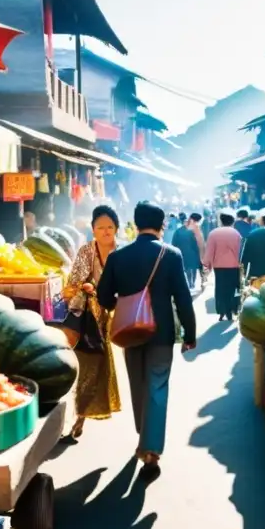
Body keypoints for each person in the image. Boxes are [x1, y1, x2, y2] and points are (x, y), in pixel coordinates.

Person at [97, 201, 196, 476]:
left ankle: (143, 433)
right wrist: (190, 333)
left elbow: (103, 297)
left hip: (130, 332)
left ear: (136, 224)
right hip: (162, 333)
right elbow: (183, 298)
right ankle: (151, 449)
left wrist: (126, 304)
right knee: (157, 386)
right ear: (161, 224)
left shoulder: (118, 257)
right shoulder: (171, 254)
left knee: (138, 384)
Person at [60, 205, 123, 441]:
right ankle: (79, 419)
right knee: (88, 366)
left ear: (116, 228)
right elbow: (72, 284)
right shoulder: (87, 252)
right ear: (93, 230)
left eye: (110, 227)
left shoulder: (123, 252)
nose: (106, 231)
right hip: (90, 319)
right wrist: (87, 289)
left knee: (104, 368)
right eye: (100, 227)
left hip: (119, 319)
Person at [203, 209, 243, 321]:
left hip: (219, 266)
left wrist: (207, 265)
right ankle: (232, 309)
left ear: (221, 221)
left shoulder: (213, 233)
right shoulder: (236, 234)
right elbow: (239, 251)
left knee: (220, 288)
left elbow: (210, 251)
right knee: (233, 288)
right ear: (232, 221)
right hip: (234, 266)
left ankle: (222, 311)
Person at [241, 209, 265, 279]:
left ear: (262, 219)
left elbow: (245, 255)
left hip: (255, 273)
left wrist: (245, 271)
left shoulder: (253, 234)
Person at [171, 214, 201, 289]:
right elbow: (196, 242)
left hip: (184, 252)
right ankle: (192, 283)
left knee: (188, 268)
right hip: (192, 252)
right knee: (193, 268)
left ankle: (191, 283)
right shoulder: (192, 231)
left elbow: (174, 243)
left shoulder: (177, 231)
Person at [190, 212, 208, 287]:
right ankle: (202, 280)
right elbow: (200, 240)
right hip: (197, 250)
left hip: (194, 250)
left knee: (194, 267)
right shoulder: (196, 227)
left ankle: (194, 282)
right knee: (199, 266)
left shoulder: (191, 226)